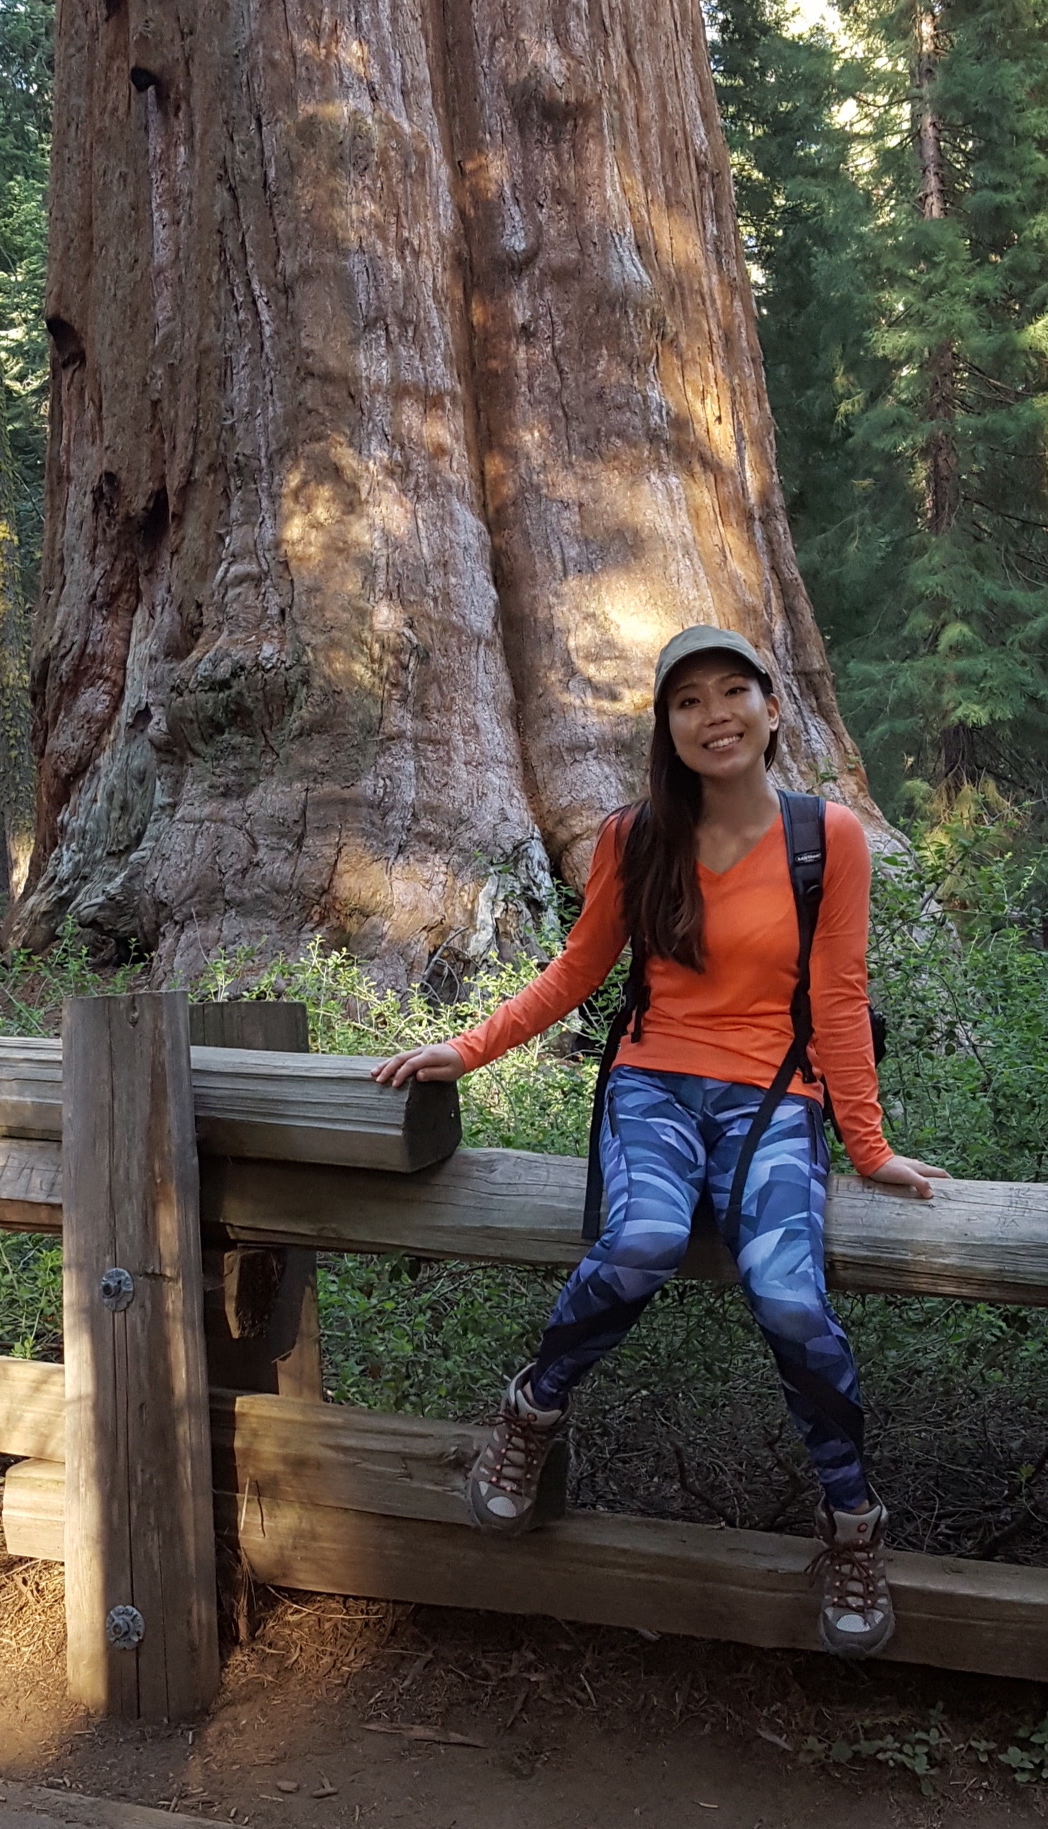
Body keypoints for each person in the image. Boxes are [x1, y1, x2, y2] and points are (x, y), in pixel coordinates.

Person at [372, 626, 946, 1658]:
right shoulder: (632, 837)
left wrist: (867, 1147)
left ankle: (851, 1524)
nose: (712, 714)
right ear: (665, 725)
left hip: (775, 1095)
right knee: (640, 1240)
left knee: (787, 1294)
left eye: (734, 692)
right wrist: (469, 1047)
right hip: (652, 1084)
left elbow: (841, 997)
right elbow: (577, 969)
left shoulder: (828, 839)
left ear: (774, 712)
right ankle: (531, 1410)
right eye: (688, 700)